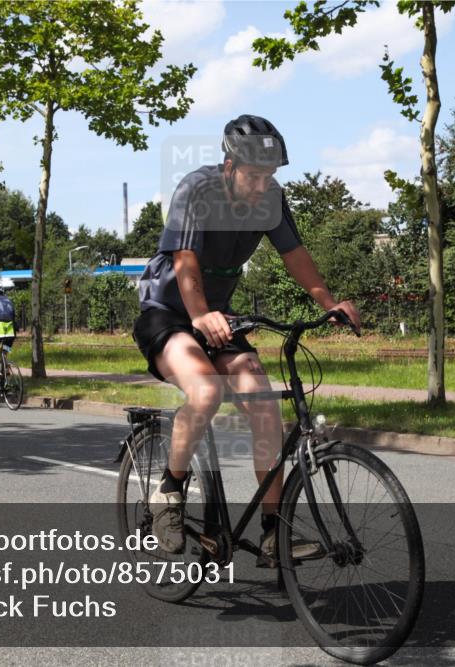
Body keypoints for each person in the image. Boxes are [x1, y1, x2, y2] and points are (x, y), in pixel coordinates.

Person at [133, 114, 361, 566]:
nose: (262, 186)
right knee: (205, 391)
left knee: (264, 402)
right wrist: (199, 314)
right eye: (254, 176)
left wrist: (329, 303)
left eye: (269, 176)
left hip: (219, 318)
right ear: (229, 165)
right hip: (169, 313)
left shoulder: (270, 198)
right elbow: (185, 260)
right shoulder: (198, 190)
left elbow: (294, 254)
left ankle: (275, 533)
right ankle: (169, 491)